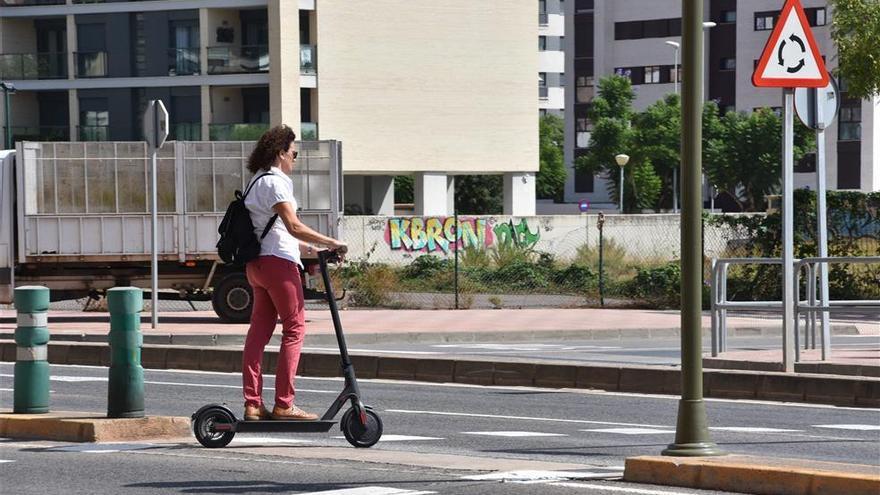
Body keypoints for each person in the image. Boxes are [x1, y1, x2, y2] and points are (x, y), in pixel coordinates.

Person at [241, 124, 347, 421]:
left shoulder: (255, 182)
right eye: (294, 153)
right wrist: (332, 241)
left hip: (257, 265)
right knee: (294, 329)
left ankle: (253, 404)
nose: (295, 159)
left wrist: (314, 249)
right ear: (280, 153)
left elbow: (276, 232)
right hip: (278, 266)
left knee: (258, 334)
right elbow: (294, 226)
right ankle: (284, 404)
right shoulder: (276, 182)